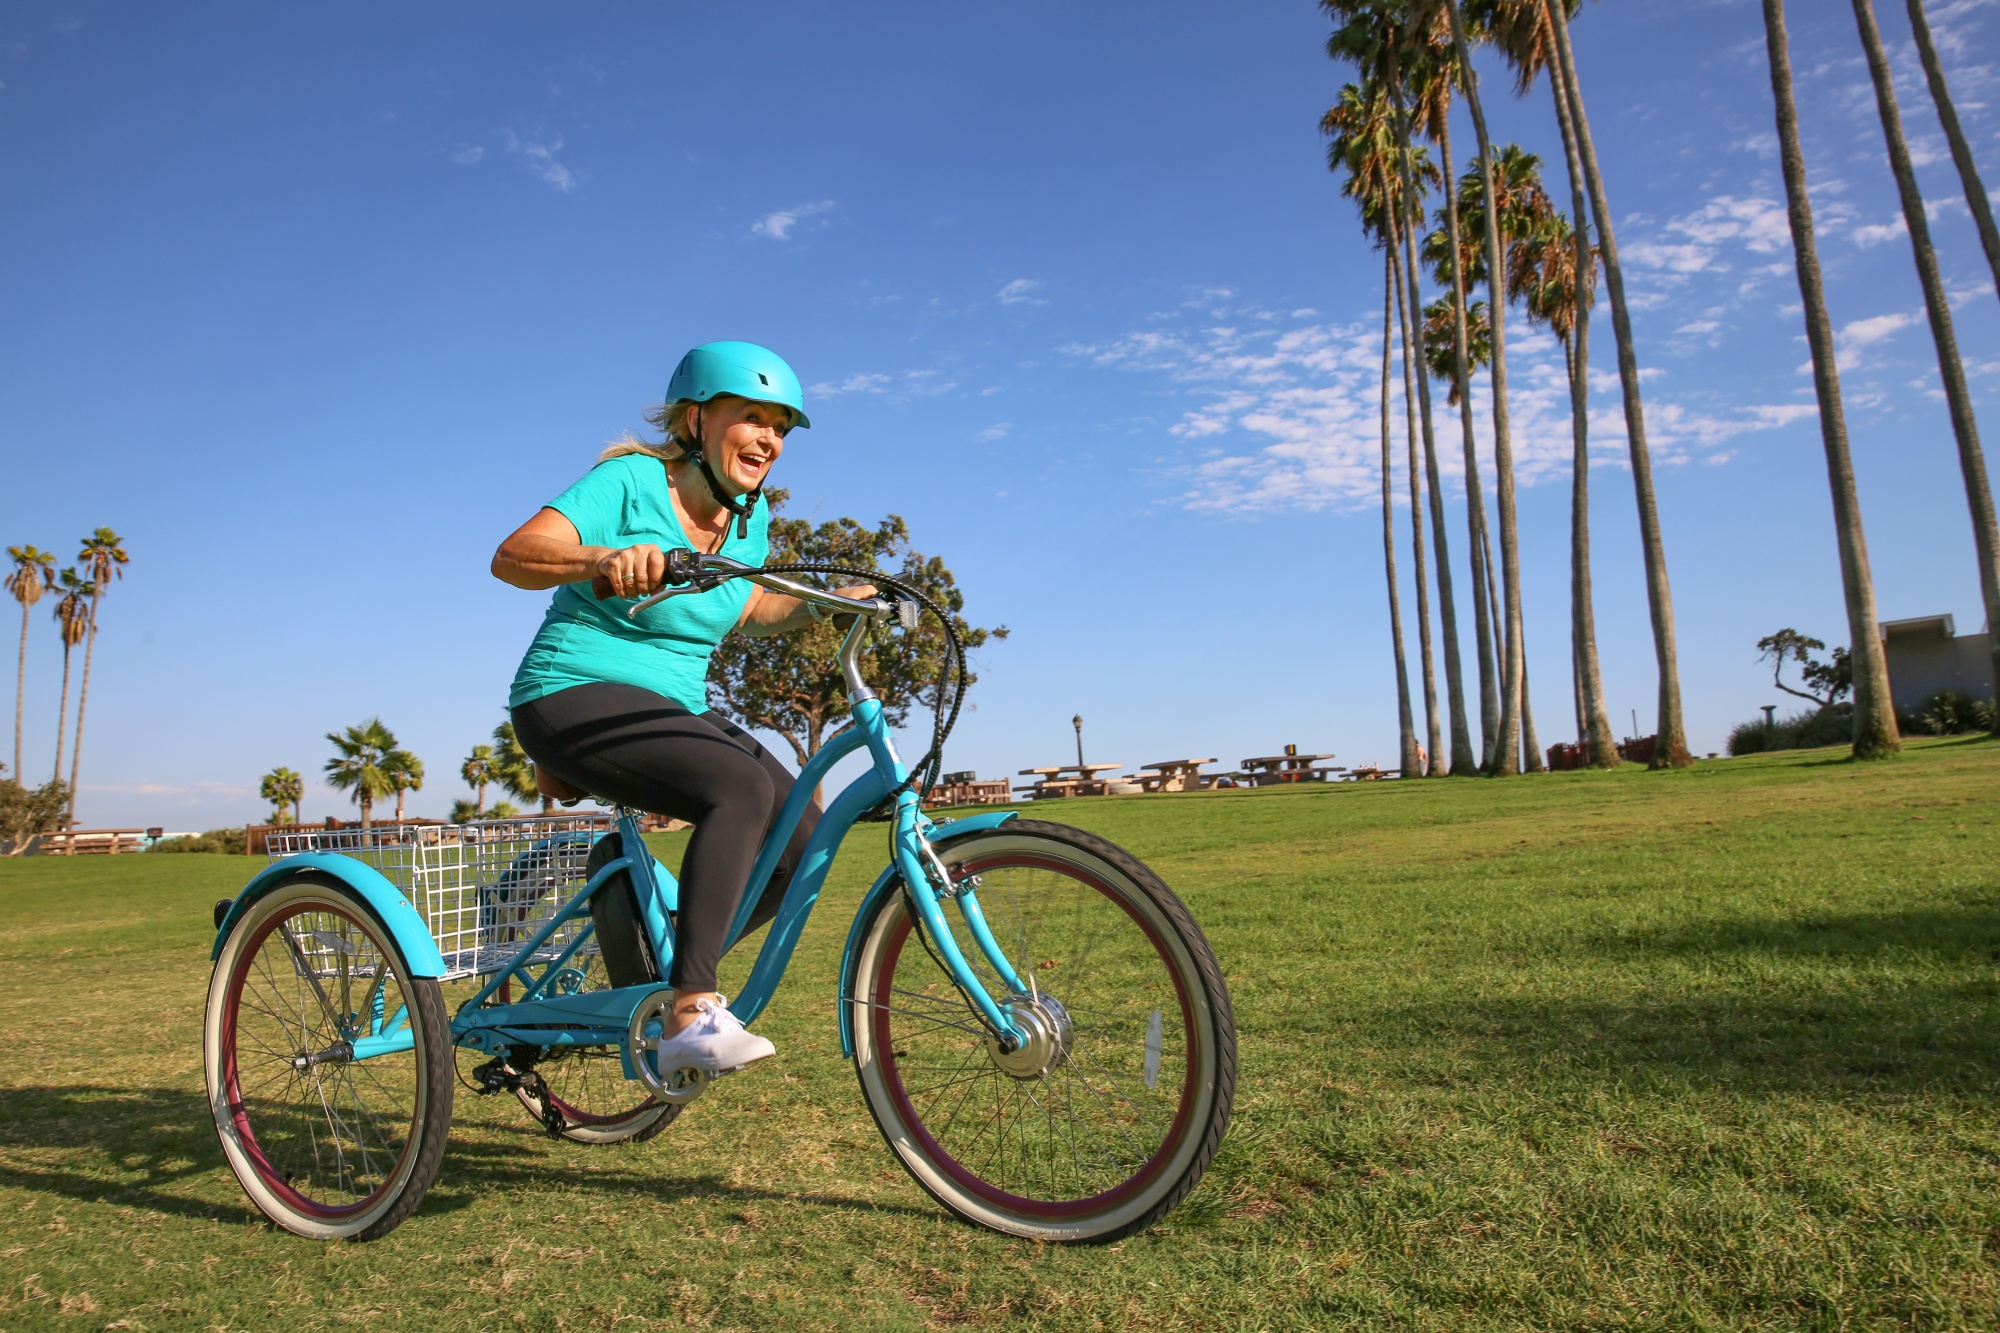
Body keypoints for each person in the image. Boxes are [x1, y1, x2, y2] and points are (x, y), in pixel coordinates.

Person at [491, 341, 873, 1075]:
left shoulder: (747, 515)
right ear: (696, 419)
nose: (769, 438)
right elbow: (515, 554)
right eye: (752, 417)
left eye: (782, 427)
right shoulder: (631, 481)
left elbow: (752, 603)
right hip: (569, 693)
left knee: (803, 840)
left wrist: (831, 603)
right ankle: (691, 1009)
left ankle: (661, 977)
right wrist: (602, 558)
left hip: (674, 707)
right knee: (740, 784)